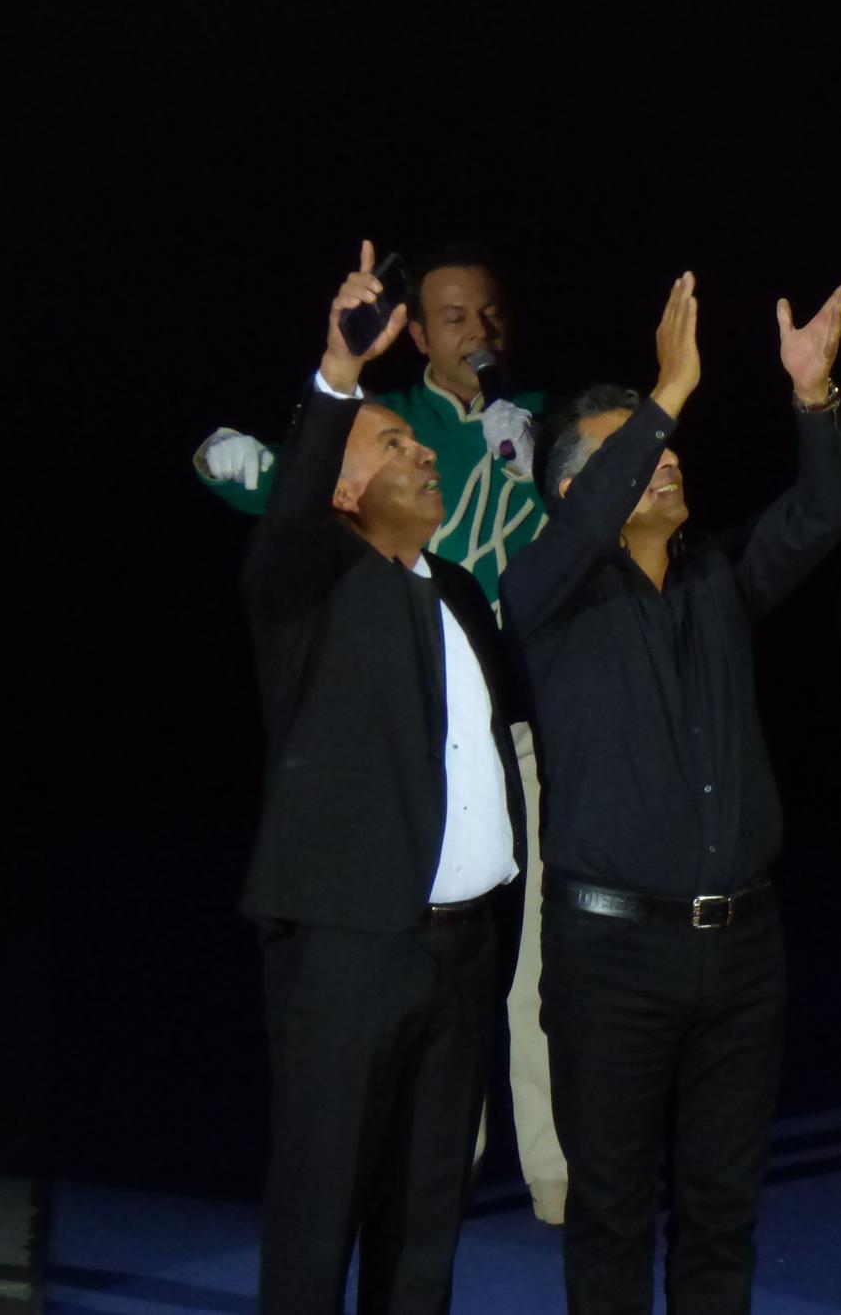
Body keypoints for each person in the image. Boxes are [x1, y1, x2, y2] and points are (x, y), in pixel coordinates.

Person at [502, 270, 841, 1314]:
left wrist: (812, 397)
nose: (665, 461)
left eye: (666, 448)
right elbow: (559, 546)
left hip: (741, 952)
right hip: (608, 956)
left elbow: (828, 505)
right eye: (634, 454)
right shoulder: (545, 588)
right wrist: (667, 390)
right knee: (610, 1216)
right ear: (574, 489)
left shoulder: (717, 576)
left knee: (722, 1213)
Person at [204, 238, 570, 1223]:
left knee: (538, 957)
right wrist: (243, 460)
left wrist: (534, 454)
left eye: (489, 315)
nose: (476, 332)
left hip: (522, 728)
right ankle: (432, 1161)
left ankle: (554, 1169)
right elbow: (286, 497)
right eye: (453, 316)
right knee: (417, 957)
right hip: (402, 741)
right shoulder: (388, 422)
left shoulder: (534, 422)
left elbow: (601, 506)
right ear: (415, 332)